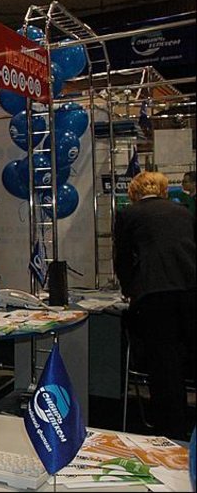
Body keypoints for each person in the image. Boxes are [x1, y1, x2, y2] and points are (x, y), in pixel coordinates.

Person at [114, 171, 196, 440]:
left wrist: (128, 289)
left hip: (154, 296)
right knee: (186, 361)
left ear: (134, 192)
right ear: (163, 189)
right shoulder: (183, 212)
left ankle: (170, 432)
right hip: (189, 292)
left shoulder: (129, 215)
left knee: (163, 367)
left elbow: (123, 258)